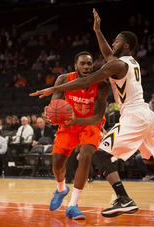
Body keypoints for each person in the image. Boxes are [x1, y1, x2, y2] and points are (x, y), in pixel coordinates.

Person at [31, 9, 154, 217]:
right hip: (148, 116)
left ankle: (123, 199)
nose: (113, 43)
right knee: (152, 165)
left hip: (134, 116)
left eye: (116, 41)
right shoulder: (129, 61)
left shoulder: (117, 64)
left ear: (125, 45)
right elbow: (108, 54)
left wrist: (53, 89)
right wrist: (97, 30)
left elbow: (87, 80)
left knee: (99, 154)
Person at [37, 50, 109, 220]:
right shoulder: (63, 80)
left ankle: (73, 205)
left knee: (84, 157)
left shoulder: (101, 84)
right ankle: (61, 189)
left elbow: (98, 117)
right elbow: (54, 104)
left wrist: (76, 120)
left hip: (89, 125)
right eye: (82, 63)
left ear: (93, 66)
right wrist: (51, 116)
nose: (86, 66)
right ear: (75, 66)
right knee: (57, 162)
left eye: (89, 63)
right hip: (68, 125)